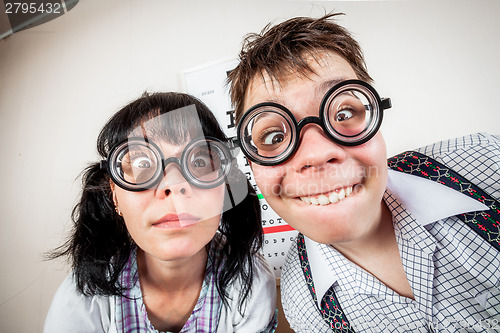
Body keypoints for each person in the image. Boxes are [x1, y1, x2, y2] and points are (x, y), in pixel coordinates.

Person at [227, 13, 499, 332]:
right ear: (252, 164)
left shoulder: (486, 162)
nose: (317, 152)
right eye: (274, 137)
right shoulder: (304, 303)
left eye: (343, 113)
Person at [44, 92, 278, 333]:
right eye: (143, 164)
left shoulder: (252, 283)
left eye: (199, 162)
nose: (174, 185)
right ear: (114, 194)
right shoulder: (85, 296)